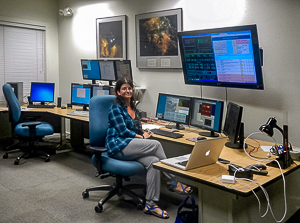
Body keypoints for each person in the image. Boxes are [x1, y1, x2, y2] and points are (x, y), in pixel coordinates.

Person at [105, 77, 192, 219]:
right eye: (124, 88)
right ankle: (173, 182)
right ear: (118, 92)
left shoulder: (133, 108)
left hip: (130, 145)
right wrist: (141, 137)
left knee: (153, 162)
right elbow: (122, 131)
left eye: (129, 88)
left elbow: (137, 129)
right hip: (117, 145)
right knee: (156, 144)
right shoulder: (115, 108)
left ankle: (150, 204)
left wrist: (144, 133)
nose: (128, 90)